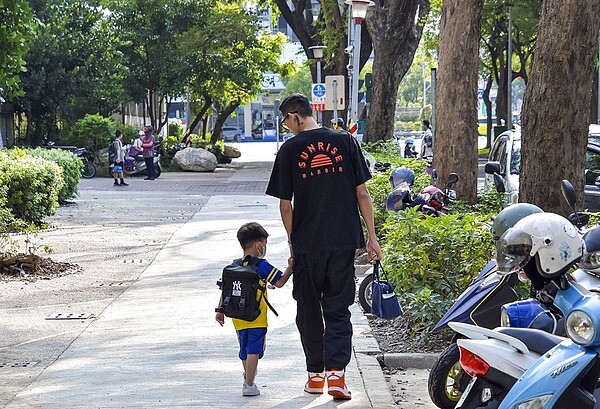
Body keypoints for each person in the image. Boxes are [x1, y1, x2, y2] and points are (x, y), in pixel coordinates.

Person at [265, 93, 382, 401]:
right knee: (338, 308)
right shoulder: (345, 142)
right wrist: (372, 237)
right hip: (343, 241)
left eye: (285, 121)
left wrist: (293, 243)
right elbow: (363, 194)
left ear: (295, 116)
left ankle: (315, 376)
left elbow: (285, 206)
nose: (286, 127)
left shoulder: (290, 150)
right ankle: (338, 378)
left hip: (307, 244)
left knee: (308, 309)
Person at [214, 222, 293, 397]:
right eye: (264, 244)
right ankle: (249, 384)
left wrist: (220, 311)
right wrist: (290, 267)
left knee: (244, 349)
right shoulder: (261, 265)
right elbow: (279, 282)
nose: (264, 248)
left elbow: (224, 290)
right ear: (258, 245)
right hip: (257, 317)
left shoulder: (233, 266)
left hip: (237, 317)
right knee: (254, 350)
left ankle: (248, 377)